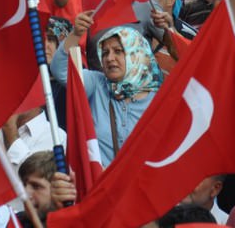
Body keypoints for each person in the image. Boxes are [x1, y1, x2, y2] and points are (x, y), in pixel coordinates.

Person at [52, 14, 163, 167]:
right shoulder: (97, 83)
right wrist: (76, 34)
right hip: (99, 180)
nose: (109, 58)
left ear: (136, 54)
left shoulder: (160, 102)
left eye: (118, 51)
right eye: (105, 53)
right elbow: (61, 70)